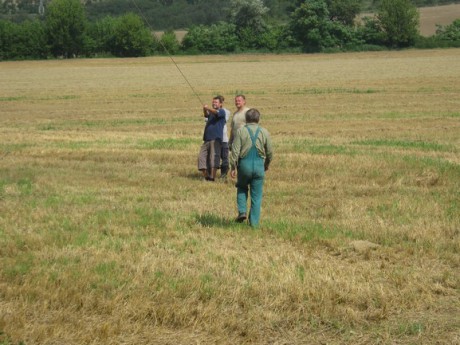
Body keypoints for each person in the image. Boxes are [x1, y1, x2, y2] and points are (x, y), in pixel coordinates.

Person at [230, 108, 273, 227]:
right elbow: (269, 152)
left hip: (244, 164)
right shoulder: (264, 132)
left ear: (246, 119)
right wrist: (266, 164)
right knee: (257, 195)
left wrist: (233, 167)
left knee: (242, 187)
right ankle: (254, 224)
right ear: (258, 119)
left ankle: (242, 211)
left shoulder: (240, 131)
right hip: (259, 165)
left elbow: (235, 151)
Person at [198, 96, 227, 181]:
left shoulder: (222, 111)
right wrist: (204, 109)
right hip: (206, 139)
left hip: (216, 139)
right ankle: (206, 175)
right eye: (213, 102)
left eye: (216, 102)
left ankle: (212, 177)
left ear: (220, 104)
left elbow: (216, 112)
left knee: (213, 158)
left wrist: (208, 108)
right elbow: (206, 115)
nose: (214, 103)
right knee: (201, 157)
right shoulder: (211, 113)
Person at [220, 97, 231, 179]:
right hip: (214, 139)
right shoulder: (210, 112)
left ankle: (223, 175)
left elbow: (224, 120)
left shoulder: (226, 112)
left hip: (223, 139)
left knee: (225, 158)